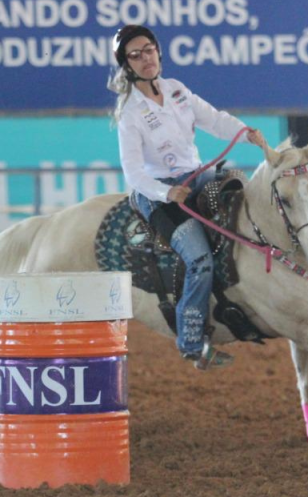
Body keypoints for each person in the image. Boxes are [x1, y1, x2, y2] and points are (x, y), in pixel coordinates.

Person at [108, 24, 266, 370]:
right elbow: (134, 174)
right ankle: (192, 341)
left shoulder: (177, 89)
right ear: (127, 65)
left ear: (158, 51)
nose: (145, 57)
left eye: (148, 49)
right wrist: (167, 192)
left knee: (239, 193)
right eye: (135, 54)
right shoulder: (130, 114)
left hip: (196, 177)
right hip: (159, 195)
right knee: (198, 258)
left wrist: (244, 133)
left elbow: (213, 119)